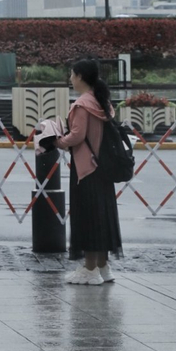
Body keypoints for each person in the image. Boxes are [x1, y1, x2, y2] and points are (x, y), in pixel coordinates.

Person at [55, 59, 122, 285]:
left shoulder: (83, 104)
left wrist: (57, 140)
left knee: (89, 218)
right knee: (102, 217)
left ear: (81, 77)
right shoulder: (102, 102)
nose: (70, 79)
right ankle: (103, 266)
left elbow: (77, 136)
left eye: (72, 74)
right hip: (103, 169)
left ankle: (90, 269)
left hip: (86, 169)